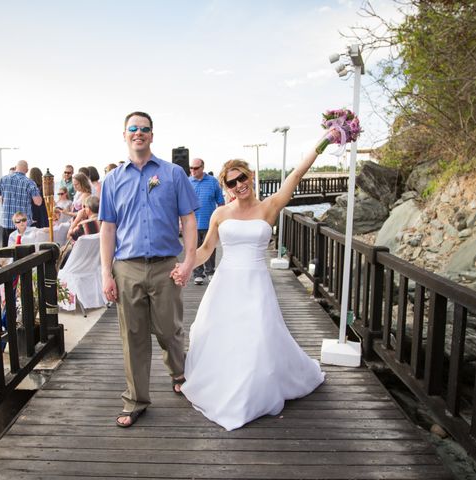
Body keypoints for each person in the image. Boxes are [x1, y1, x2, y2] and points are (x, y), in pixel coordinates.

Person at [172, 130, 338, 431]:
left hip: (257, 284)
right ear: (227, 187)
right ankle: (229, 387)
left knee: (258, 335)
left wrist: (324, 140)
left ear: (250, 176)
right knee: (224, 335)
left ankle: (254, 391)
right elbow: (207, 249)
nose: (239, 185)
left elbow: (298, 172)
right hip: (226, 283)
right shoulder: (221, 214)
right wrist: (184, 266)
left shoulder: (269, 207)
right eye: (232, 182)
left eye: (242, 178)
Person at [99, 111, 199, 428]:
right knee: (133, 337)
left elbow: (189, 220)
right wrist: (105, 273)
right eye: (133, 128)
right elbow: (107, 229)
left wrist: (188, 261)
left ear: (152, 136)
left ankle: (179, 373)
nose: (138, 133)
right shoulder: (113, 180)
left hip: (165, 267)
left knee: (170, 330)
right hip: (126, 268)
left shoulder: (173, 174)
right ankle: (136, 400)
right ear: (125, 135)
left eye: (144, 129)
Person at [188, 157, 225, 285]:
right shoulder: (187, 182)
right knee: (194, 249)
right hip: (192, 224)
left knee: (210, 248)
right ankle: (198, 274)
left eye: (196, 168)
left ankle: (210, 272)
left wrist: (221, 221)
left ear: (203, 168)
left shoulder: (213, 182)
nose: (193, 170)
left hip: (210, 223)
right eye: (191, 168)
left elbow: (221, 202)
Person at [0, 160, 42, 246]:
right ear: (26, 170)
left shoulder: (4, 179)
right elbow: (38, 202)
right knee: (24, 251)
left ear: (16, 168)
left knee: (7, 252)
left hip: (7, 221)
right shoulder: (29, 182)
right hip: (23, 223)